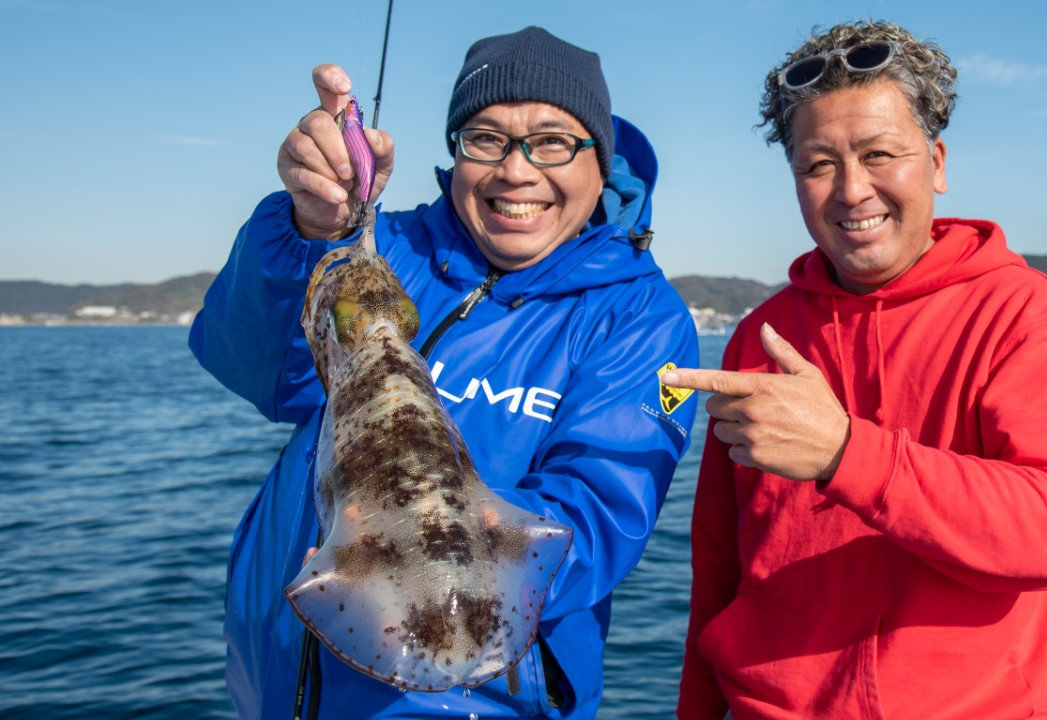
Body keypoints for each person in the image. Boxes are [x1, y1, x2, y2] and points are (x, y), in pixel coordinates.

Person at [190, 26, 699, 719]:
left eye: (552, 141)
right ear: (456, 149)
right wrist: (310, 228)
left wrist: (425, 539)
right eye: (485, 138)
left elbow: (599, 515)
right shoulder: (383, 248)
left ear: (600, 159)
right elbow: (264, 371)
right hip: (273, 685)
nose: (516, 171)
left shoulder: (637, 316)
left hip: (471, 696)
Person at [668, 20, 1047, 719]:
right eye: (818, 165)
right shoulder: (760, 335)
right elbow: (719, 566)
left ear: (936, 162)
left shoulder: (1018, 310)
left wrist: (849, 453)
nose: (851, 190)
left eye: (880, 154)